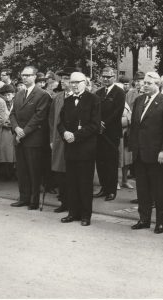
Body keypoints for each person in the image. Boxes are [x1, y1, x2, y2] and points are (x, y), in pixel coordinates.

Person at [129, 72, 163, 234]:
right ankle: (144, 219)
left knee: (159, 190)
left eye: (149, 83)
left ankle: (160, 222)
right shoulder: (139, 100)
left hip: (157, 154)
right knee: (142, 189)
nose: (145, 85)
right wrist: (133, 147)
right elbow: (135, 126)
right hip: (140, 153)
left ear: (158, 84)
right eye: (144, 83)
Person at [58, 72, 101, 226]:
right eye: (72, 82)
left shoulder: (93, 99)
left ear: (85, 82)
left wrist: (76, 135)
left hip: (85, 148)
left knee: (84, 183)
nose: (74, 85)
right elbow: (60, 122)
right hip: (70, 148)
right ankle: (72, 213)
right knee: (71, 182)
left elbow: (95, 125)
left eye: (77, 82)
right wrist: (64, 133)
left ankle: (85, 215)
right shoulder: (68, 100)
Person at [9, 66, 52, 210]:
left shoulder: (42, 94)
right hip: (20, 137)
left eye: (28, 75)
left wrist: (24, 131)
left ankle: (34, 200)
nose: (25, 77)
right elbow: (12, 113)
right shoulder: (19, 93)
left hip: (33, 138)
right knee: (21, 170)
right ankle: (23, 198)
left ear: (35, 77)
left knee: (34, 171)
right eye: (23, 75)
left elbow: (39, 117)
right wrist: (16, 128)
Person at [94, 67, 125, 201]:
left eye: (108, 77)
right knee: (100, 161)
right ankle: (104, 187)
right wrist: (97, 122)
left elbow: (117, 111)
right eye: (104, 76)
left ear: (114, 77)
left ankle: (111, 190)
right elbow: (94, 110)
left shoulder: (119, 92)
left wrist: (104, 123)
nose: (106, 79)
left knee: (111, 162)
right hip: (99, 133)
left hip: (112, 132)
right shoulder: (98, 92)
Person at [49, 67, 75, 213]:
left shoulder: (79, 97)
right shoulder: (58, 97)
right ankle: (64, 201)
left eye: (67, 79)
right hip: (58, 140)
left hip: (72, 140)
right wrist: (51, 139)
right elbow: (51, 119)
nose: (63, 82)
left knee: (71, 172)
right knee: (60, 171)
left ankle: (73, 203)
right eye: (63, 79)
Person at [0, 84, 16, 180]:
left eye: (9, 94)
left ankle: (13, 172)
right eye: (5, 95)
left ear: (13, 94)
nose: (7, 97)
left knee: (14, 153)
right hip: (4, 131)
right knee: (4, 152)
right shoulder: (1, 104)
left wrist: (14, 124)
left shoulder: (17, 103)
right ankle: (6, 172)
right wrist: (2, 124)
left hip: (14, 131)